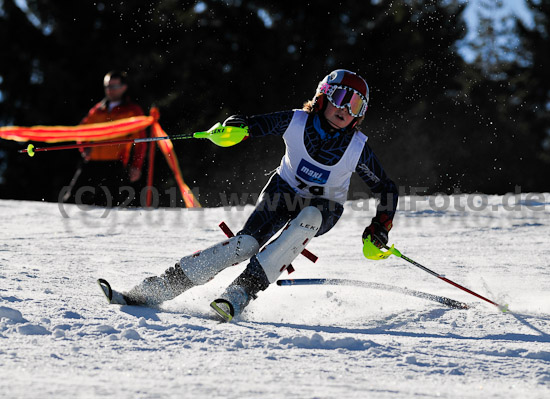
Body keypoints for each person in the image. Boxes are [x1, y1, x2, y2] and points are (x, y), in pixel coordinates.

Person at [99, 69, 399, 322]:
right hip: (283, 191)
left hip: (326, 206)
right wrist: (234, 127)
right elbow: (255, 124)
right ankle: (158, 288)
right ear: (323, 96)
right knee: (244, 245)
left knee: (308, 219)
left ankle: (241, 292)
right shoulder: (296, 121)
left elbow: (386, 188)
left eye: (357, 105)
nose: (347, 110)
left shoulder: (357, 148)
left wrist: (379, 227)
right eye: (343, 98)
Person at [63, 70, 147, 207]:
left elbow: (141, 142)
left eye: (113, 86)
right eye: (107, 86)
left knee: (109, 205)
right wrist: (84, 148)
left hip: (115, 165)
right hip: (92, 162)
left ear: (124, 87)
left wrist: (136, 166)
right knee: (71, 201)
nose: (109, 90)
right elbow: (81, 130)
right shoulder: (97, 110)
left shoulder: (132, 111)